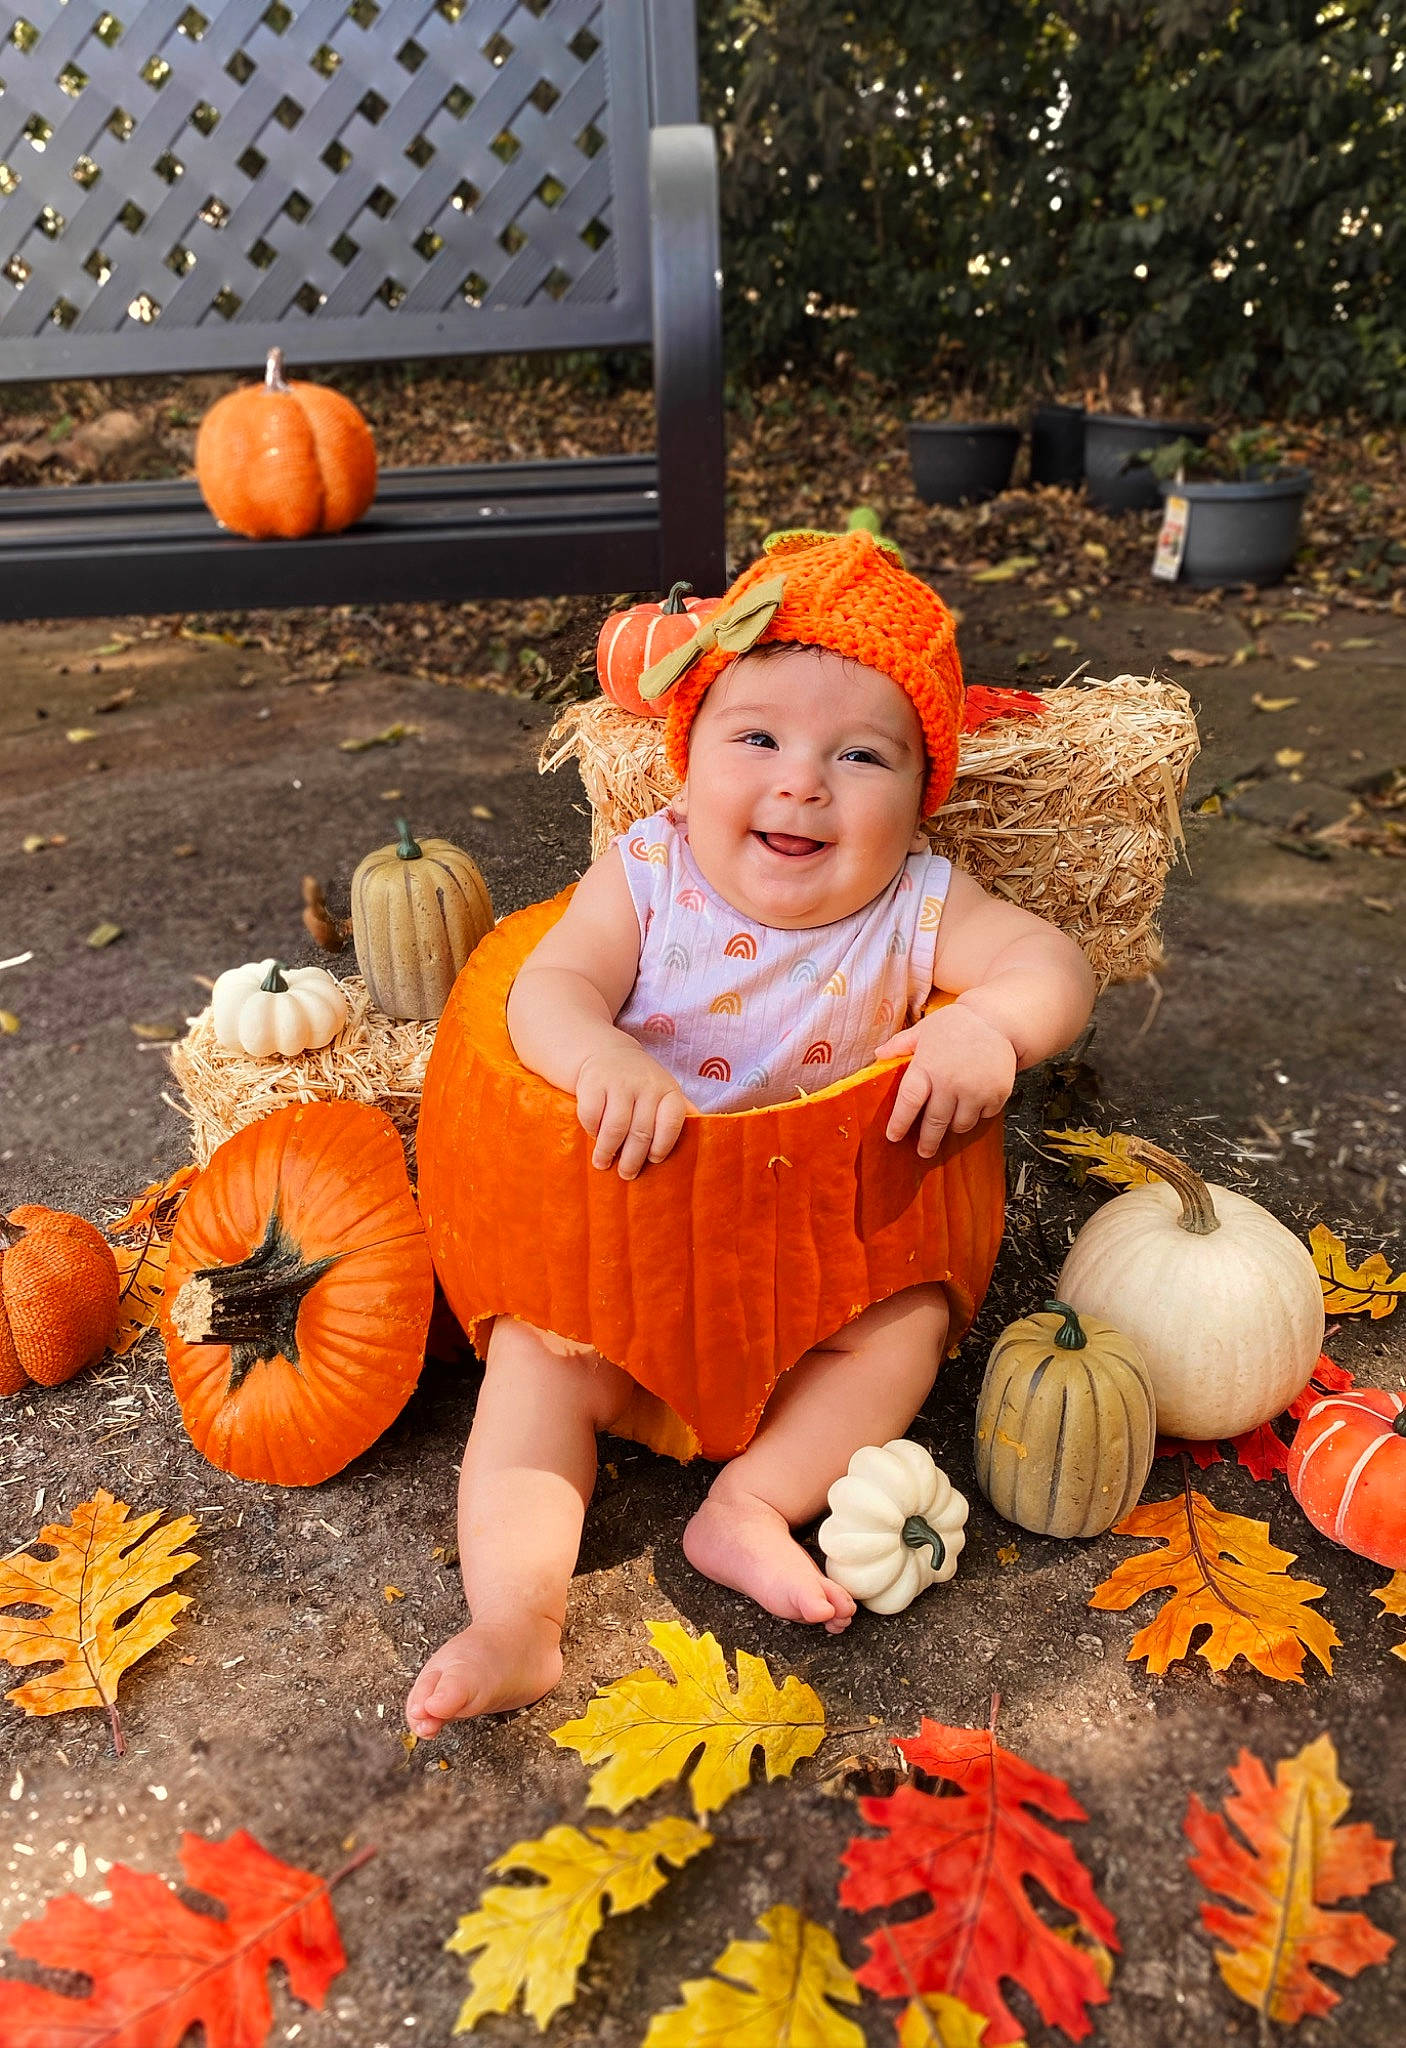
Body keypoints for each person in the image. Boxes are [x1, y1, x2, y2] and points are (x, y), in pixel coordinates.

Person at [406, 529, 1096, 1734]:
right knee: (532, 1361)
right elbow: (544, 986)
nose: (801, 781)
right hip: (615, 1250)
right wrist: (599, 1053)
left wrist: (985, 1027)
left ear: (918, 793)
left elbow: (1054, 963)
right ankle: (515, 1617)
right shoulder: (648, 872)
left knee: (910, 1325)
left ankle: (753, 1500)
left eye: (860, 754)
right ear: (687, 760)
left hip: (823, 1270)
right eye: (757, 737)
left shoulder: (915, 907)